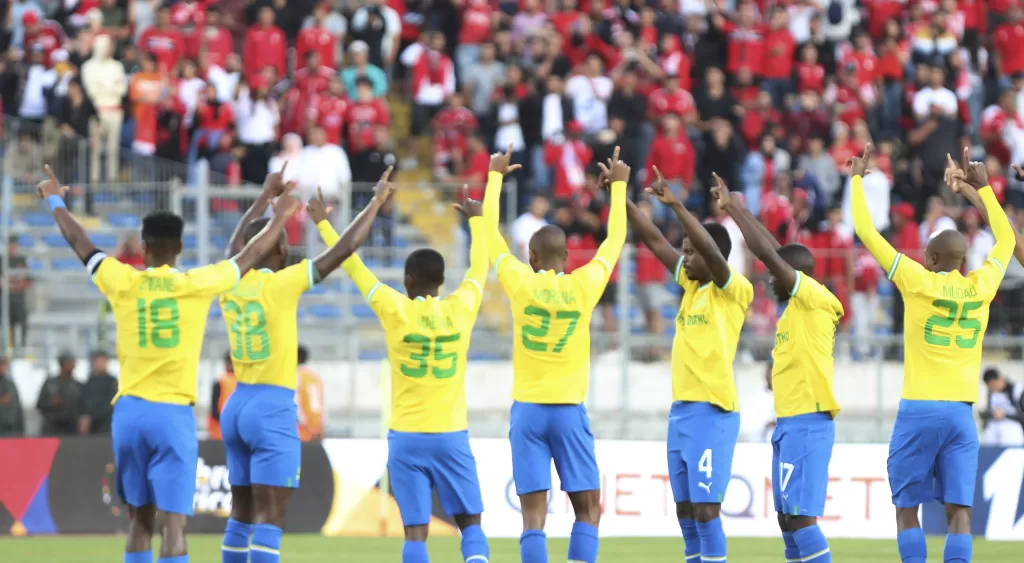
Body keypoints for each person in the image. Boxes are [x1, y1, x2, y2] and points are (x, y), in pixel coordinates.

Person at [34, 163, 300, 563]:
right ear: (179, 249)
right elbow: (247, 254)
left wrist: (55, 199)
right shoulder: (197, 284)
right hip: (172, 415)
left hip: (129, 412)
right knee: (173, 526)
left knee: (138, 522)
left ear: (142, 248)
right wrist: (279, 214)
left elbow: (79, 240)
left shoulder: (122, 280)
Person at [218, 167, 396, 563]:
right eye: (283, 242)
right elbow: (345, 248)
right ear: (279, 252)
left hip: (237, 404)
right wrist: (376, 202)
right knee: (271, 517)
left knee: (240, 513)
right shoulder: (283, 284)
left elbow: (236, 247)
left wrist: (264, 198)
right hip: (271, 407)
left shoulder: (230, 283)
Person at [856, 145, 1013, 563]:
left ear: (929, 258)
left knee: (907, 508)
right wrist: (983, 189)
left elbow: (867, 232)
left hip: (919, 409)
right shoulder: (981, 286)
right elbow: (1008, 239)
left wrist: (855, 180)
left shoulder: (917, 280)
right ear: (963, 260)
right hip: (961, 413)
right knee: (960, 512)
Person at [317, 183, 489, 563]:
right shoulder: (461, 308)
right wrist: (477, 222)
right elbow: (480, 266)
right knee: (471, 524)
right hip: (450, 434)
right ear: (441, 281)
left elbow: (352, 264)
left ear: (408, 279)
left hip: (406, 437)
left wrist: (324, 225)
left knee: (414, 532)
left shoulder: (393, 308)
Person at [485, 145, 627, 563]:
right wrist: (619, 188)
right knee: (588, 510)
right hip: (568, 410)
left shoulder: (520, 281)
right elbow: (615, 239)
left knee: (532, 518)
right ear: (567, 257)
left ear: (530, 257)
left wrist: (494, 177)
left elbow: (490, 234)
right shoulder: (583, 285)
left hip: (527, 411)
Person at [623, 165, 752, 563]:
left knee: (706, 511)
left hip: (712, 412)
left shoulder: (732, 290)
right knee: (685, 513)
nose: (685, 257)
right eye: (685, 251)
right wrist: (619, 195)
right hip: (681, 412)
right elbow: (653, 239)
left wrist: (677, 205)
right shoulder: (691, 286)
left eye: (692, 252)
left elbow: (710, 251)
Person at [712, 171, 843, 563]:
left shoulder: (814, 298)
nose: (769, 281)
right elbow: (775, 249)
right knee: (787, 520)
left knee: (801, 519)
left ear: (793, 276)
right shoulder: (795, 309)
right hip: (789, 422)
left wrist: (734, 210)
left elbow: (769, 254)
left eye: (775, 276)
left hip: (808, 421)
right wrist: (738, 207)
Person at [37, 351, 84, 436]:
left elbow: (83, 409)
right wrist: (51, 403)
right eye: (68, 364)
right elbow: (39, 404)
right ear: (61, 365)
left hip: (72, 430)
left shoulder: (78, 386)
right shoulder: (50, 383)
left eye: (72, 364)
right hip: (52, 429)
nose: (70, 367)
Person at [980, 368, 1024, 446]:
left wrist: (1005, 414)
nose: (991, 388)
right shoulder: (991, 393)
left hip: (1012, 426)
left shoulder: (1016, 390)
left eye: (993, 385)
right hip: (994, 426)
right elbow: (989, 410)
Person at [79, 350, 118, 434]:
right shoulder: (90, 381)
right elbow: (84, 401)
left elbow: (112, 403)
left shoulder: (112, 381)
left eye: (103, 361)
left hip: (107, 424)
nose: (100, 364)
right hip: (92, 426)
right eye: (98, 361)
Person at [296, 346, 324, 442]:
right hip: (315, 429)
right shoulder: (315, 377)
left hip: (300, 430)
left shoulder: (295, 375)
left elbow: (296, 402)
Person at [208, 351, 237, 440]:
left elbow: (214, 410)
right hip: (221, 431)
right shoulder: (221, 382)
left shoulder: (221, 382)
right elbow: (214, 409)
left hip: (221, 431)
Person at [0, 357, 25, 436]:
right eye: (1, 365)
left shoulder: (10, 384)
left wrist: (21, 428)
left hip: (11, 426)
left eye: (5, 365)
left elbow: (17, 406)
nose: (3, 368)